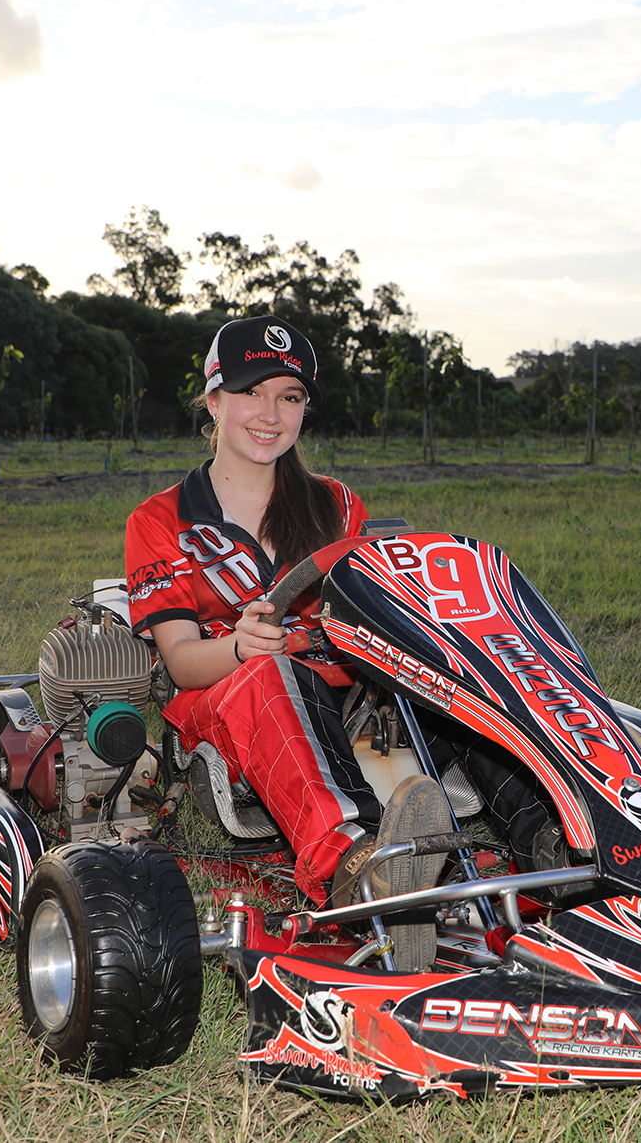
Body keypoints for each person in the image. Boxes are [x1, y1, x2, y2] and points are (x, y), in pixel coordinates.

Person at [124, 315, 449, 968]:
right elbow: (183, 662)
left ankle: (556, 840)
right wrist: (242, 647)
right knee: (272, 674)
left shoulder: (334, 504)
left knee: (457, 672)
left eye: (290, 396)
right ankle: (360, 867)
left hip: (343, 692)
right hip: (228, 697)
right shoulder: (161, 520)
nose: (270, 413)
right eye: (252, 391)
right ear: (214, 399)